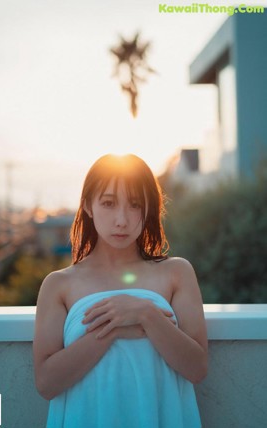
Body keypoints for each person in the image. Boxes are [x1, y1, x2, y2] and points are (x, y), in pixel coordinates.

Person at [33, 154, 208, 428]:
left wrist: (146, 314)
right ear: (88, 206)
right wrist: (114, 327)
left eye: (135, 205)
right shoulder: (58, 285)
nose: (122, 220)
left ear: (149, 208)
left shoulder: (176, 272)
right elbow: (46, 383)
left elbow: (197, 368)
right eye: (108, 203)